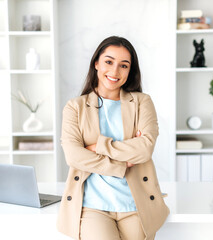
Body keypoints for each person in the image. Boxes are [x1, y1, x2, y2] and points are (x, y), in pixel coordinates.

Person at [57, 36, 169, 240]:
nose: (115, 71)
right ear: (96, 63)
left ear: (130, 70)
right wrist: (120, 165)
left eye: (123, 65)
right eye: (109, 62)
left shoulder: (142, 102)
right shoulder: (75, 107)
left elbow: (144, 149)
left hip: (136, 204)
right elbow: (74, 157)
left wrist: (98, 146)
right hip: (93, 207)